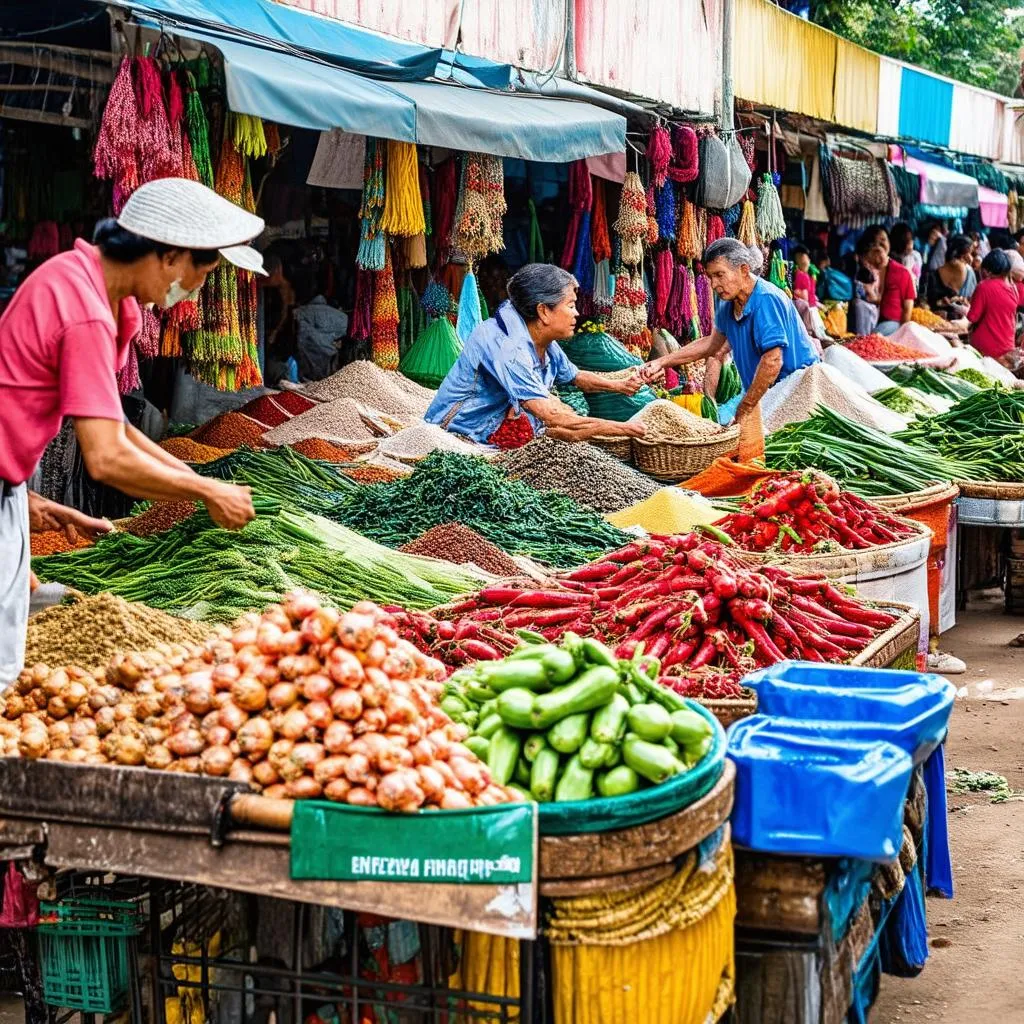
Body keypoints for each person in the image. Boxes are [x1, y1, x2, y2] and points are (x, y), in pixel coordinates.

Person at [0, 177, 260, 689]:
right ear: (169, 256)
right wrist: (205, 490)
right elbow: (106, 457)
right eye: (199, 275)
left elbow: (111, 423)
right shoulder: (84, 310)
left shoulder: (100, 293)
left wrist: (185, 472)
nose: (193, 291)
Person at [424, 264, 646, 446]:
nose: (577, 313)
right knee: (562, 422)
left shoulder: (542, 339)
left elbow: (576, 377)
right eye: (571, 305)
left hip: (492, 428)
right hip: (455, 434)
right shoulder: (508, 348)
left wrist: (620, 386)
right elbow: (552, 416)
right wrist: (620, 428)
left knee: (564, 428)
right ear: (543, 311)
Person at [641, 238, 819, 428]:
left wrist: (745, 407)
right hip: (771, 392)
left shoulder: (766, 299)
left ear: (743, 270)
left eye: (719, 275)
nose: (714, 284)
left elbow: (773, 361)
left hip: (799, 388)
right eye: (711, 277)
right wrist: (661, 362)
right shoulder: (727, 303)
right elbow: (711, 345)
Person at [966, 250, 1021, 371]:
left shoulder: (984, 286)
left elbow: (972, 317)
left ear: (987, 270)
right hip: (1007, 347)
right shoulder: (1013, 289)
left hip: (985, 349)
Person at [859, 235, 916, 336]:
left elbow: (908, 307)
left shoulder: (901, 272)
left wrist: (902, 334)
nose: (870, 267)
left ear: (878, 257)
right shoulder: (882, 271)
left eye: (871, 263)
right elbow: (886, 298)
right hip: (881, 319)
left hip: (895, 322)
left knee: (874, 337)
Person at [926, 235, 972, 319]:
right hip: (953, 320)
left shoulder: (935, 272)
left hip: (931, 316)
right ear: (967, 251)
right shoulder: (966, 270)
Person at [890, 222, 923, 287]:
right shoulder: (892, 258)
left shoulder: (916, 256)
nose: (909, 244)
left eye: (910, 239)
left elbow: (917, 279)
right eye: (905, 241)